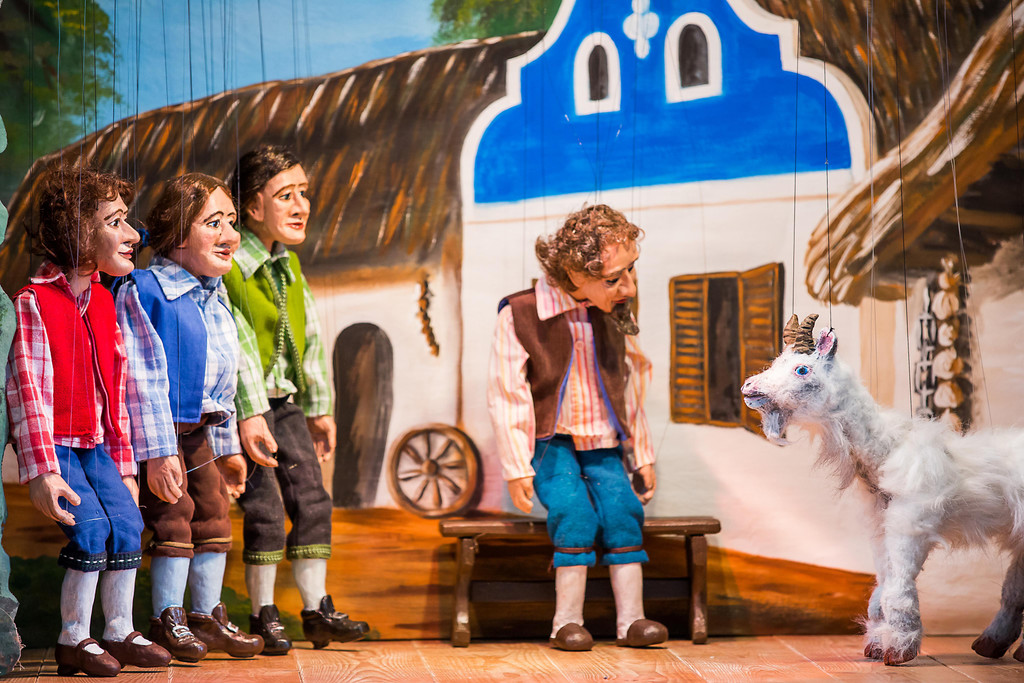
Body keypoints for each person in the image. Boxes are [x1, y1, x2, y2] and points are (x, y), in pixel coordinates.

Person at [6, 164, 171, 676]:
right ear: (76, 231)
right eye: (115, 221)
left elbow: (113, 391)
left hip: (97, 446)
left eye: (127, 220)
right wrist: (42, 470)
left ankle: (119, 628)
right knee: (92, 528)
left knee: (128, 523)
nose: (132, 234)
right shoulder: (35, 302)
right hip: (58, 446)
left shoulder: (104, 300)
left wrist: (124, 464)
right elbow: (27, 392)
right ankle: (73, 637)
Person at [487, 204, 667, 652]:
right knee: (574, 514)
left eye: (632, 270)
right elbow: (507, 393)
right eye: (614, 278)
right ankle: (566, 622)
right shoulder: (522, 314)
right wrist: (516, 466)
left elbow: (629, 384)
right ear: (573, 273)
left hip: (603, 440)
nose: (629, 286)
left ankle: (632, 620)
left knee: (624, 512)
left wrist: (641, 454)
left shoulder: (613, 310)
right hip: (554, 444)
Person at [223, 145, 369, 654]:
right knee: (264, 507)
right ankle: (262, 612)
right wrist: (249, 413)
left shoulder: (287, 264)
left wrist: (319, 408)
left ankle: (316, 609)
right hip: (247, 410)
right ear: (252, 206)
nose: (301, 205)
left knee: (312, 497)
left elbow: (310, 338)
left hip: (285, 406)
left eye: (303, 193)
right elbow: (238, 347)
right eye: (285, 195)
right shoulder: (232, 268)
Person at [115, 173, 266, 662]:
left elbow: (223, 382)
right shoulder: (147, 291)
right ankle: (169, 617)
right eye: (213, 223)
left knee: (215, 513)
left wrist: (228, 449)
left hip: (200, 433)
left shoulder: (213, 296)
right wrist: (159, 452)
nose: (229, 235)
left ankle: (206, 615)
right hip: (159, 435)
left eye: (232, 222)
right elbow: (141, 379)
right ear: (178, 232)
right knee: (174, 516)